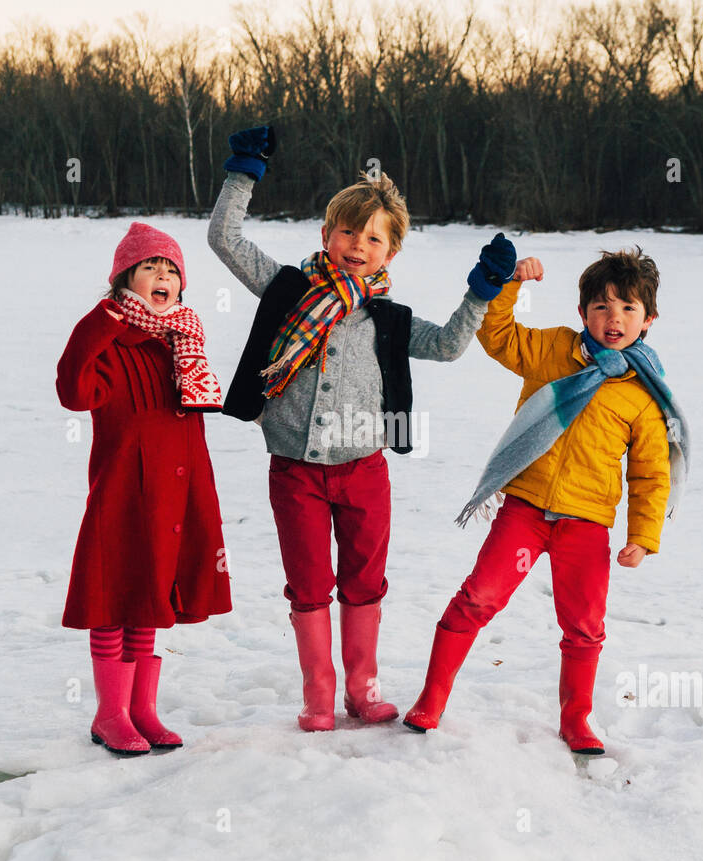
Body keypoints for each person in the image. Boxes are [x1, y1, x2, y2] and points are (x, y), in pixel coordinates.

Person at [207, 124, 516, 731]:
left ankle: (362, 690)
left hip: (363, 473)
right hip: (294, 469)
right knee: (308, 583)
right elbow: (224, 237)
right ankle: (319, 697)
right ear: (326, 235)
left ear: (390, 253)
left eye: (373, 237)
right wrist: (245, 170)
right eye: (347, 231)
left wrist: (482, 291)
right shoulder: (289, 288)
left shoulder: (389, 318)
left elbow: (452, 345)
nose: (357, 244)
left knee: (365, 582)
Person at [403, 248, 689, 754]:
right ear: (582, 314)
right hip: (525, 510)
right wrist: (509, 284)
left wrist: (643, 537)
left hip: (586, 524)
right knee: (477, 599)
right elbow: (498, 337)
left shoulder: (643, 396)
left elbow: (650, 474)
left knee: (584, 626)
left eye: (627, 308)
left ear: (649, 320)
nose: (613, 318)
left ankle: (576, 719)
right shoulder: (555, 350)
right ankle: (432, 697)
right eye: (601, 307)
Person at [56, 223, 232, 755]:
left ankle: (142, 709)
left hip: (177, 494)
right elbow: (73, 390)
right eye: (150, 266)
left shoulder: (183, 342)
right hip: (125, 494)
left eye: (173, 269)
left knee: (151, 597)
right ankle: (110, 714)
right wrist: (101, 321)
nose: (164, 275)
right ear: (124, 280)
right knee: (116, 596)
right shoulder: (112, 340)